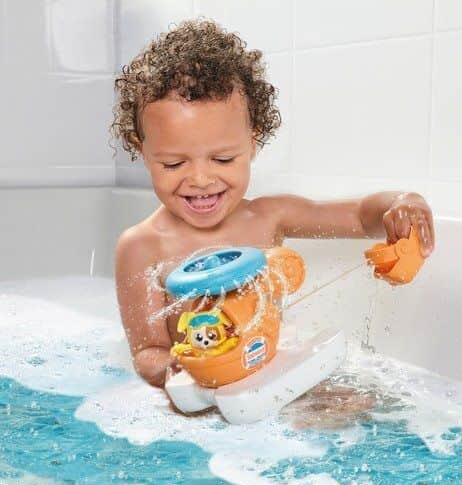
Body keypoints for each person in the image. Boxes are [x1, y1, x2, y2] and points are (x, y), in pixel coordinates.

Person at [111, 19, 435, 392]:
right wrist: (194, 371)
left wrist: (401, 205)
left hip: (269, 385)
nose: (200, 179)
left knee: (352, 401)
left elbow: (361, 218)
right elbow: (148, 352)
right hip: (201, 400)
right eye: (173, 164)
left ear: (253, 143)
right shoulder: (142, 247)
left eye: (223, 159)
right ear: (142, 150)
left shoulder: (269, 217)